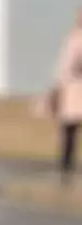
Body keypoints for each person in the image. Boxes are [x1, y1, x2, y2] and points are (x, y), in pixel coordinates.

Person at [51, 9, 82, 176]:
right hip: (72, 88)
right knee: (69, 129)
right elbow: (65, 65)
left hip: (76, 88)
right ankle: (66, 163)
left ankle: (66, 163)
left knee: (70, 128)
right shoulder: (73, 38)